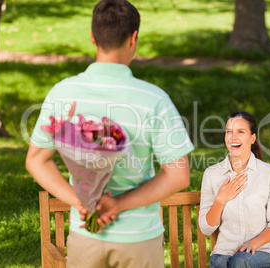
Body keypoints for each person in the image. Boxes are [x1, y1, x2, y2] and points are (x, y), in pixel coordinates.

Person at [25, 0, 194, 267]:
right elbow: (179, 175)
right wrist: (118, 205)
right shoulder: (154, 99)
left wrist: (81, 202)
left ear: (93, 36)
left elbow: (36, 160)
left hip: (85, 235)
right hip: (139, 238)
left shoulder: (63, 92)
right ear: (134, 38)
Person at [198, 111, 270, 268]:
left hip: (263, 253)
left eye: (240, 132)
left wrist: (252, 244)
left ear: (252, 138)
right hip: (223, 254)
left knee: (240, 259)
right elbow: (205, 228)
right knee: (228, 262)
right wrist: (220, 199)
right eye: (229, 132)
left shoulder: (269, 173)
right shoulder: (212, 174)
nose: (233, 137)